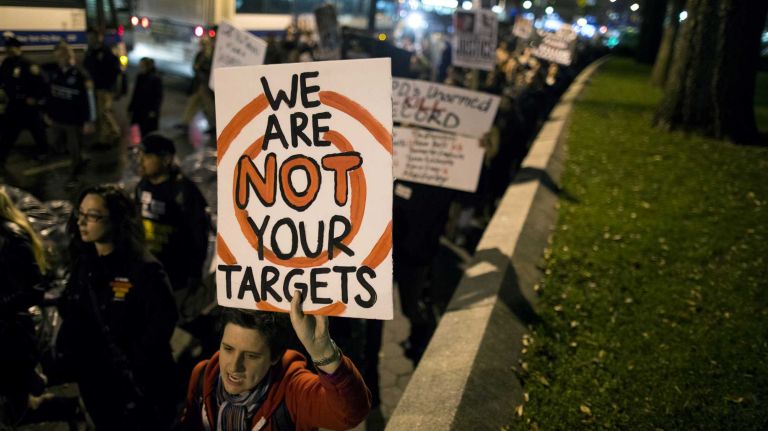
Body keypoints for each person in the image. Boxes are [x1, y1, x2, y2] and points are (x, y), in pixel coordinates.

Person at [57, 184, 179, 429]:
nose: (82, 222)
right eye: (80, 214)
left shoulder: (144, 268)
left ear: (116, 220)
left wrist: (134, 360)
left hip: (139, 387)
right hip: (97, 383)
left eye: (93, 216)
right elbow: (71, 311)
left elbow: (161, 323)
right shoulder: (85, 263)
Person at [179, 297, 372, 430]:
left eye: (251, 356)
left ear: (275, 356)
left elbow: (350, 414)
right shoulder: (202, 375)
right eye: (228, 349)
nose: (233, 366)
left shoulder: (293, 391)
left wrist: (323, 354)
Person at [134, 134, 210, 312]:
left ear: (166, 159)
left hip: (177, 273)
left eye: (147, 157)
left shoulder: (184, 191)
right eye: (140, 156)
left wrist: (194, 272)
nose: (141, 161)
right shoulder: (142, 186)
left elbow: (199, 233)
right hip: (151, 266)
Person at [0, 187, 48, 426]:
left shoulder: (11, 237)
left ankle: (68, 407)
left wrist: (4, 305)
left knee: (17, 412)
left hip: (11, 336)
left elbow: (34, 289)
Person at [45, 43, 95, 177]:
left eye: (61, 56)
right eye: (57, 57)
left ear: (68, 56)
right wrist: (48, 113)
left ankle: (77, 172)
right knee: (56, 144)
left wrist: (89, 121)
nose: (59, 59)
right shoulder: (56, 73)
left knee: (74, 147)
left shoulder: (80, 74)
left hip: (73, 120)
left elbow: (89, 100)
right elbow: (51, 96)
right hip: (58, 117)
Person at [0, 35, 49, 169]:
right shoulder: (6, 63)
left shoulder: (28, 64)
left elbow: (43, 82)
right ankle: (2, 156)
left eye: (11, 48)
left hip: (27, 104)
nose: (8, 50)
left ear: (18, 48)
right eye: (7, 48)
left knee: (37, 129)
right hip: (14, 102)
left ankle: (44, 151)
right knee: (8, 131)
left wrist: (36, 98)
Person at [83, 28, 121, 145]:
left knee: (104, 112)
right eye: (88, 37)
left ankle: (113, 133)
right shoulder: (90, 51)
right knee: (99, 114)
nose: (90, 39)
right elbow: (87, 66)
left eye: (92, 37)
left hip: (104, 87)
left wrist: (109, 85)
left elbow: (114, 70)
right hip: (95, 87)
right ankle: (103, 137)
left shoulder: (105, 51)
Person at [180, 36, 215, 133]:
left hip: (206, 85)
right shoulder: (200, 55)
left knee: (209, 106)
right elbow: (194, 67)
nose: (203, 46)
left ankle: (213, 125)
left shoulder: (211, 55)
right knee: (192, 102)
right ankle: (185, 123)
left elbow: (210, 69)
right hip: (198, 84)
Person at [128, 57, 163, 137]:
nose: (140, 68)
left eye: (142, 66)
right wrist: (131, 107)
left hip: (147, 110)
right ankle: (136, 145)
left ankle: (141, 146)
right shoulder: (140, 77)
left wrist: (154, 110)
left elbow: (158, 97)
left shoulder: (155, 79)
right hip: (138, 108)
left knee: (145, 131)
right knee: (135, 128)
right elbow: (135, 94)